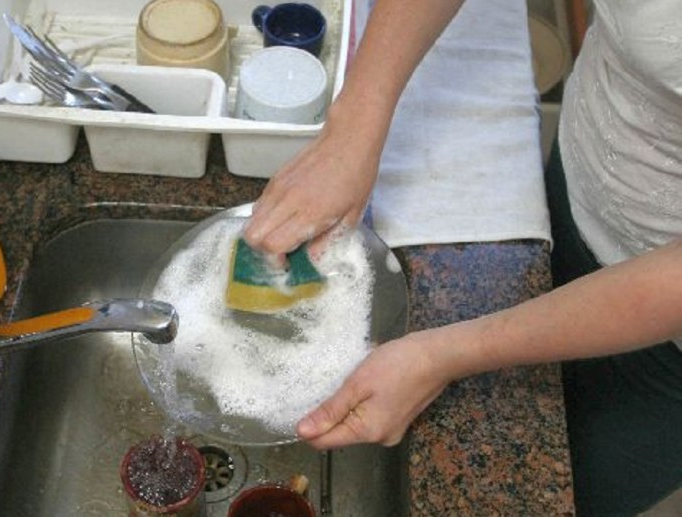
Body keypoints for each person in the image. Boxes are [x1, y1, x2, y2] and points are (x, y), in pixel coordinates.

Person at [243, 0, 682, 515]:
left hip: (667, 354)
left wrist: (442, 355)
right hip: (591, 169)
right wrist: (355, 124)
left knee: (564, 486)